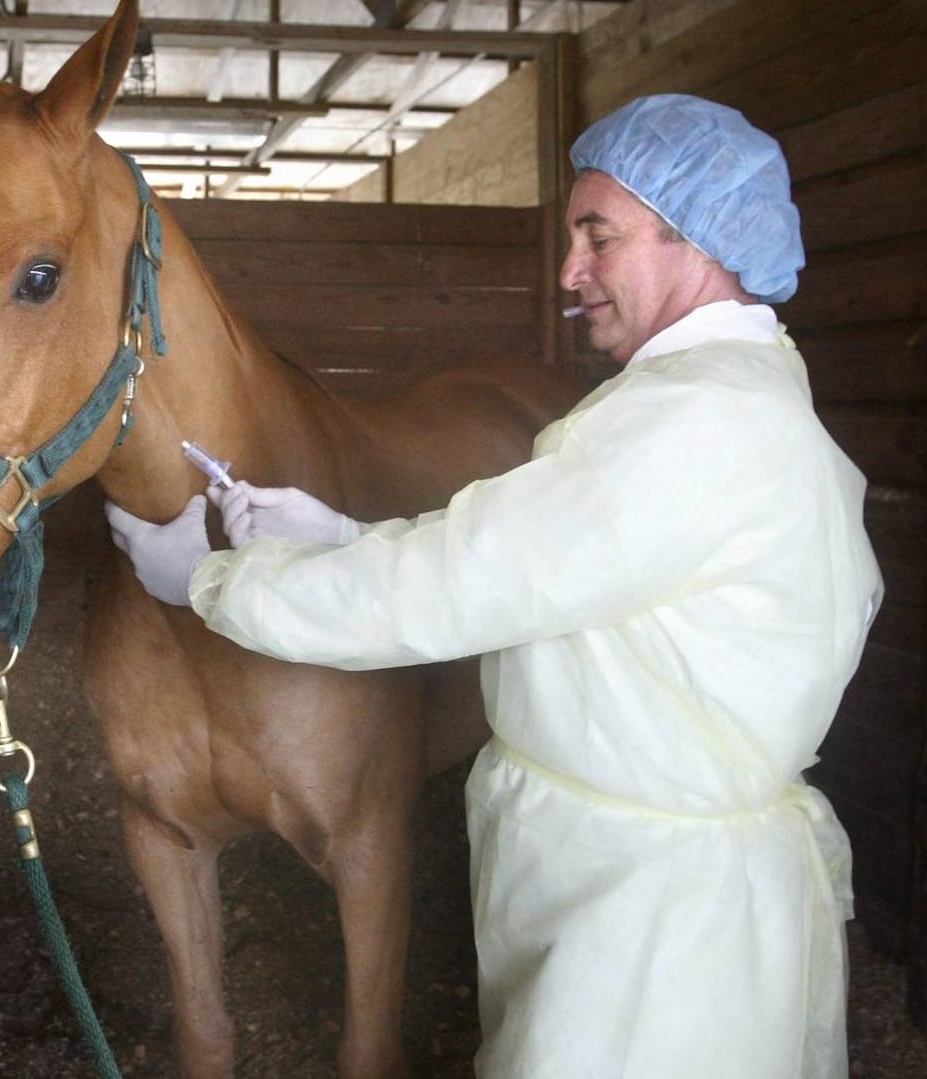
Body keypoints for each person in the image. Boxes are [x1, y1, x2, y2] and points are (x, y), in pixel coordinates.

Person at [105, 93, 882, 1079]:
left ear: (693, 238)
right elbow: (546, 566)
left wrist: (211, 582)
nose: (569, 274)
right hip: (659, 892)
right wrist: (347, 531)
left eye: (596, 236)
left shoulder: (689, 427)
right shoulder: (732, 406)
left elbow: (448, 590)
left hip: (644, 925)